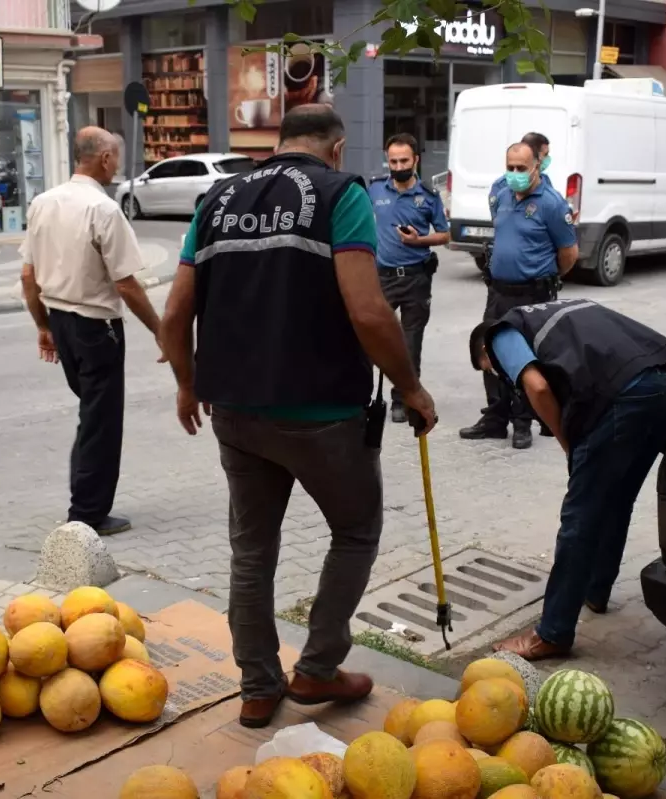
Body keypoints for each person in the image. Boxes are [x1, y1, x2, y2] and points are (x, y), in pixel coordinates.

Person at [159, 105, 437, 729]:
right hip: (324, 413)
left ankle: (258, 687)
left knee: (252, 552)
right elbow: (369, 312)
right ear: (336, 149)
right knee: (356, 531)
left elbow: (175, 315)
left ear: (279, 143)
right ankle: (315, 671)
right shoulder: (342, 194)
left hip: (233, 408)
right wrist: (411, 389)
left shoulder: (217, 198)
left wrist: (186, 383)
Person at [470, 298, 666, 660]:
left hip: (624, 397)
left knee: (579, 518)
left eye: (492, 371)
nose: (499, 375)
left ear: (485, 350)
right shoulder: (553, 312)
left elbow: (537, 388)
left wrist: (567, 443)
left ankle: (553, 632)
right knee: (617, 498)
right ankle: (595, 589)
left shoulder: (500, 334)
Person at [20, 127, 163, 537]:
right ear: (103, 159)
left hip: (61, 319)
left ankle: (83, 497)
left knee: (91, 414)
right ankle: (87, 514)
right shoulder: (103, 209)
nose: (117, 164)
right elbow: (126, 283)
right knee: (101, 421)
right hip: (96, 327)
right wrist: (159, 330)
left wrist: (43, 325)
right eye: (115, 157)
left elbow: (28, 276)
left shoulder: (43, 203)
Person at [459, 141, 578, 449]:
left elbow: (568, 253)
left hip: (533, 293)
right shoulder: (500, 191)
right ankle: (496, 418)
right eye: (509, 167)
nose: (514, 174)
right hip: (498, 290)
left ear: (536, 167)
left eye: (521, 169)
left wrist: (544, 277)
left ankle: (522, 421)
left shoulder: (551, 203)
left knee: (525, 358)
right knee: (490, 351)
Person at [368, 133, 450, 423]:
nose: (398, 165)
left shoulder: (428, 196)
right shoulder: (375, 189)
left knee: (410, 344)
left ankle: (402, 399)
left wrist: (420, 240)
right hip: (382, 278)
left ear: (416, 160)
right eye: (393, 161)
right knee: (371, 337)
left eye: (404, 160)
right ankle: (363, 395)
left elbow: (445, 234)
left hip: (416, 279)